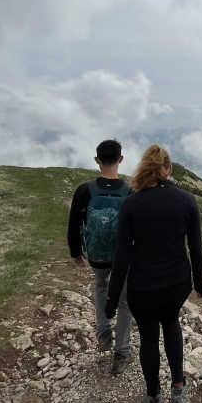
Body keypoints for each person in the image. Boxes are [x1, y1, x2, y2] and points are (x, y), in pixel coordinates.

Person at [105, 144, 202, 403]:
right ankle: (178, 390)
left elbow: (121, 257)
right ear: (169, 169)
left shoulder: (131, 204)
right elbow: (195, 249)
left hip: (142, 287)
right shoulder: (187, 200)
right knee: (171, 323)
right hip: (177, 284)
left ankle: (153, 401)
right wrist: (201, 285)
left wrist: (112, 302)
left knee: (149, 338)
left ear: (143, 170)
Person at [67, 139, 134, 375]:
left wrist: (76, 251)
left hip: (96, 255)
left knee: (101, 286)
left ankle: (103, 334)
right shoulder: (130, 191)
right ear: (121, 159)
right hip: (124, 257)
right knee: (125, 300)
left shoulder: (85, 190)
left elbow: (74, 222)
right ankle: (122, 351)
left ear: (97, 160)